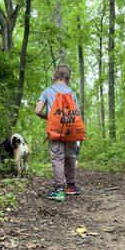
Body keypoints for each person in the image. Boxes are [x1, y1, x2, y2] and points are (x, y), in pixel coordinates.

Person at [35, 64, 83, 202]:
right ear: (68, 78)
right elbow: (77, 114)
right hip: (70, 131)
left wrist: (49, 117)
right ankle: (71, 187)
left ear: (55, 76)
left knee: (57, 158)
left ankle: (59, 190)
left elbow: (37, 110)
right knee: (70, 157)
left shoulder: (48, 91)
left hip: (55, 130)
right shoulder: (72, 93)